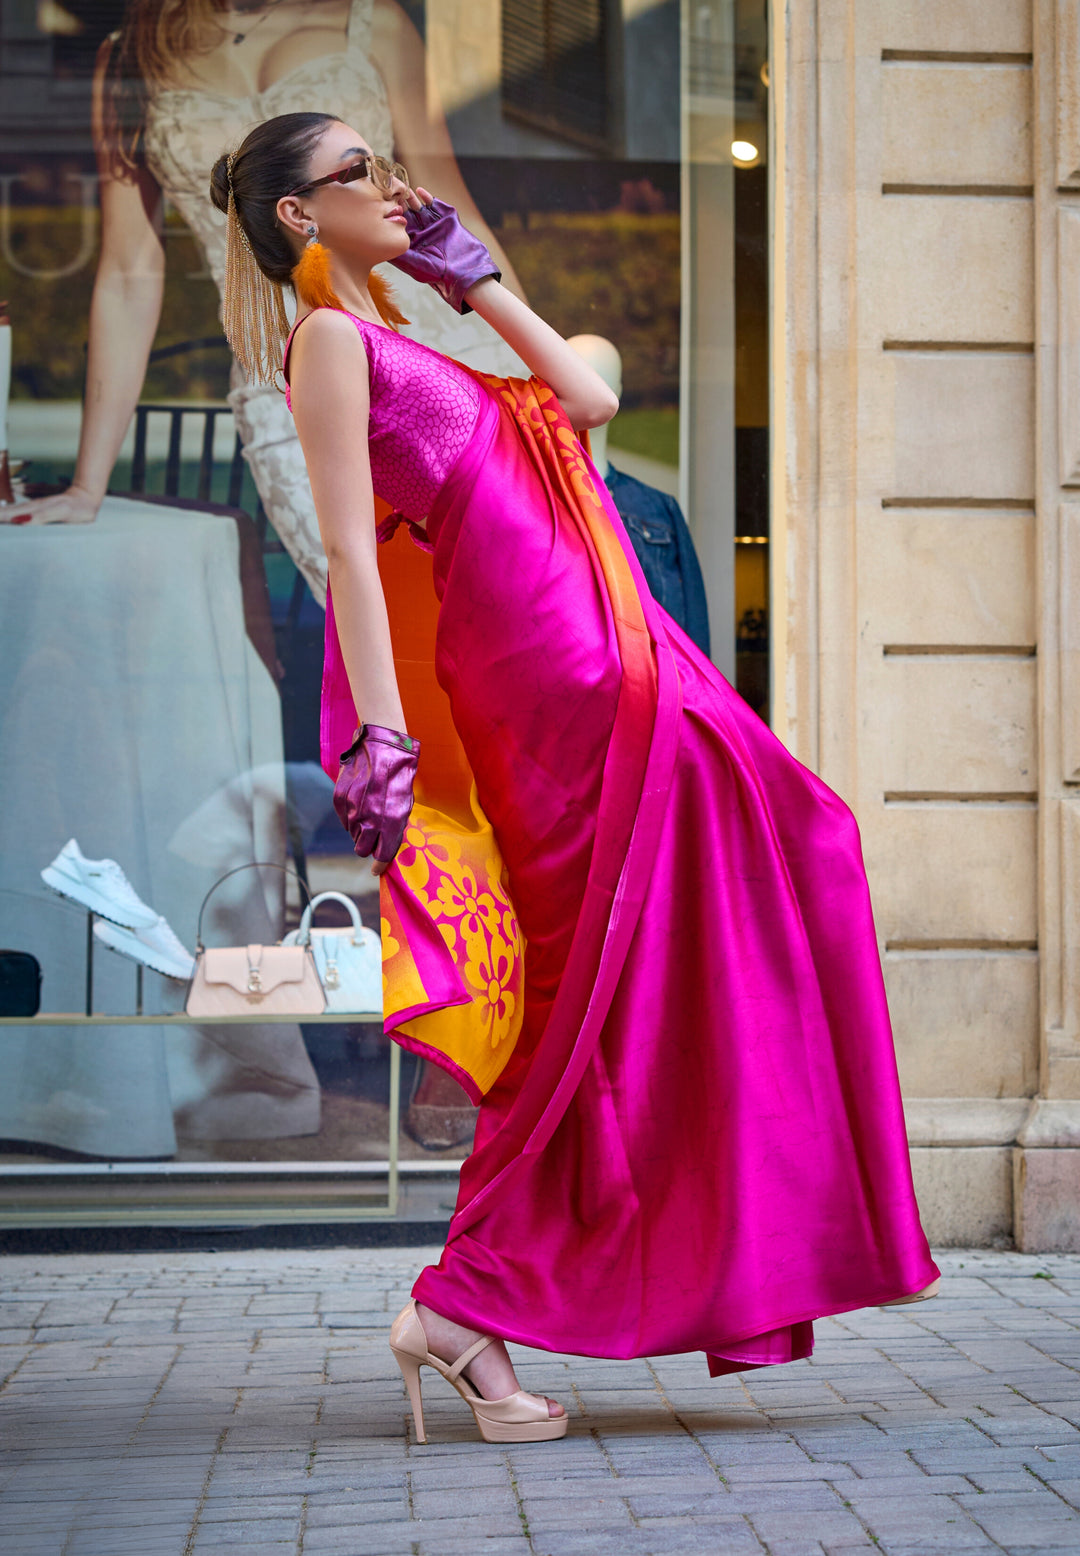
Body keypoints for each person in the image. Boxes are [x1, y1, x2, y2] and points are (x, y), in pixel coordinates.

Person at [210, 110, 940, 1445]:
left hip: (619, 662)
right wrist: (382, 734)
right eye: (355, 173)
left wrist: (473, 279)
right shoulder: (326, 340)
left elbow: (591, 406)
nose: (388, 184)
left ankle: (480, 1315)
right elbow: (358, 562)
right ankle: (462, 1302)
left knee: (789, 859)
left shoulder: (416, 327)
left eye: (381, 161)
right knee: (578, 1009)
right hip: (547, 698)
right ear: (300, 217)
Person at [3, 0, 525, 601]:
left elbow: (449, 209)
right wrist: (87, 486)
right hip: (282, 380)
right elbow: (129, 271)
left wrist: (536, 366)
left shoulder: (372, 22)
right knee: (372, 606)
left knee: (496, 604)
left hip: (441, 350)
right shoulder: (131, 56)